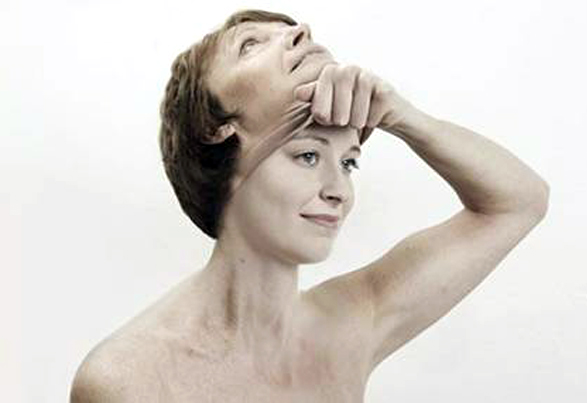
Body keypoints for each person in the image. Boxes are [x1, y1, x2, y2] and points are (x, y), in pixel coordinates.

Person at [69, 8, 550, 402]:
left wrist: (403, 116)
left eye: (349, 162)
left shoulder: (351, 324)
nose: (339, 190)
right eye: (307, 156)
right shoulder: (129, 381)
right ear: (214, 129)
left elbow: (519, 201)